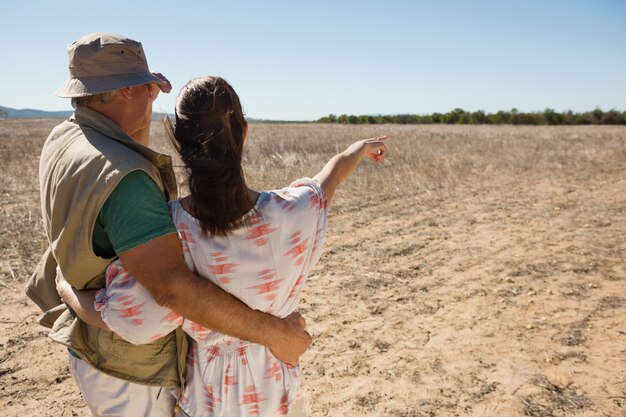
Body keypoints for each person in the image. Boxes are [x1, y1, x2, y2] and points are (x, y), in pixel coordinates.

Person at [57, 76, 388, 417]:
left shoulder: (168, 232)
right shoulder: (295, 211)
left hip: (208, 397)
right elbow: (329, 178)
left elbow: (136, 322)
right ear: (243, 133)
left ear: (179, 144)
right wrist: (358, 150)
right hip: (279, 391)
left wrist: (67, 289)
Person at [27, 33, 311, 417]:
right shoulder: (127, 178)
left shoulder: (67, 136)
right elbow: (172, 290)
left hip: (92, 350)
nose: (153, 95)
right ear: (126, 90)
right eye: (147, 87)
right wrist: (276, 334)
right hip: (131, 369)